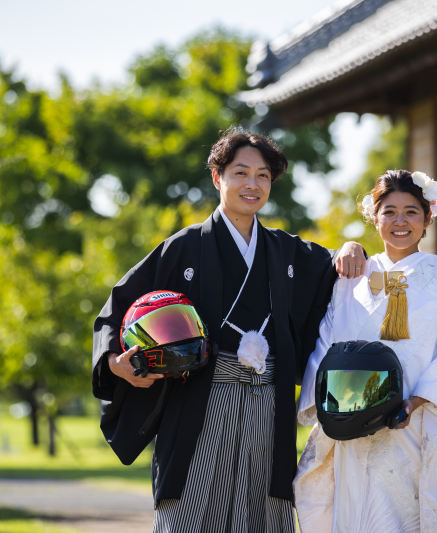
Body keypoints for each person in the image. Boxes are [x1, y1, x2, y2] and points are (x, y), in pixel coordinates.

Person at [91, 128, 366, 533]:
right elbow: (120, 305)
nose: (252, 184)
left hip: (266, 407)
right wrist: (114, 362)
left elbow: (334, 267)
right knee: (192, 512)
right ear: (217, 177)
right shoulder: (183, 248)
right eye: (241, 173)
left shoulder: (285, 250)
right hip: (201, 401)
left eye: (263, 176)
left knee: (264, 516)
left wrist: (351, 248)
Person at [294, 170, 437, 533]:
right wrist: (331, 404)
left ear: (427, 218)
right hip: (354, 418)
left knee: (409, 511)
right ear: (374, 218)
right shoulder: (352, 276)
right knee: (358, 510)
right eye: (389, 211)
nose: (400, 221)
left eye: (411, 212)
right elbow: (327, 342)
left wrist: (414, 402)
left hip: (414, 420)